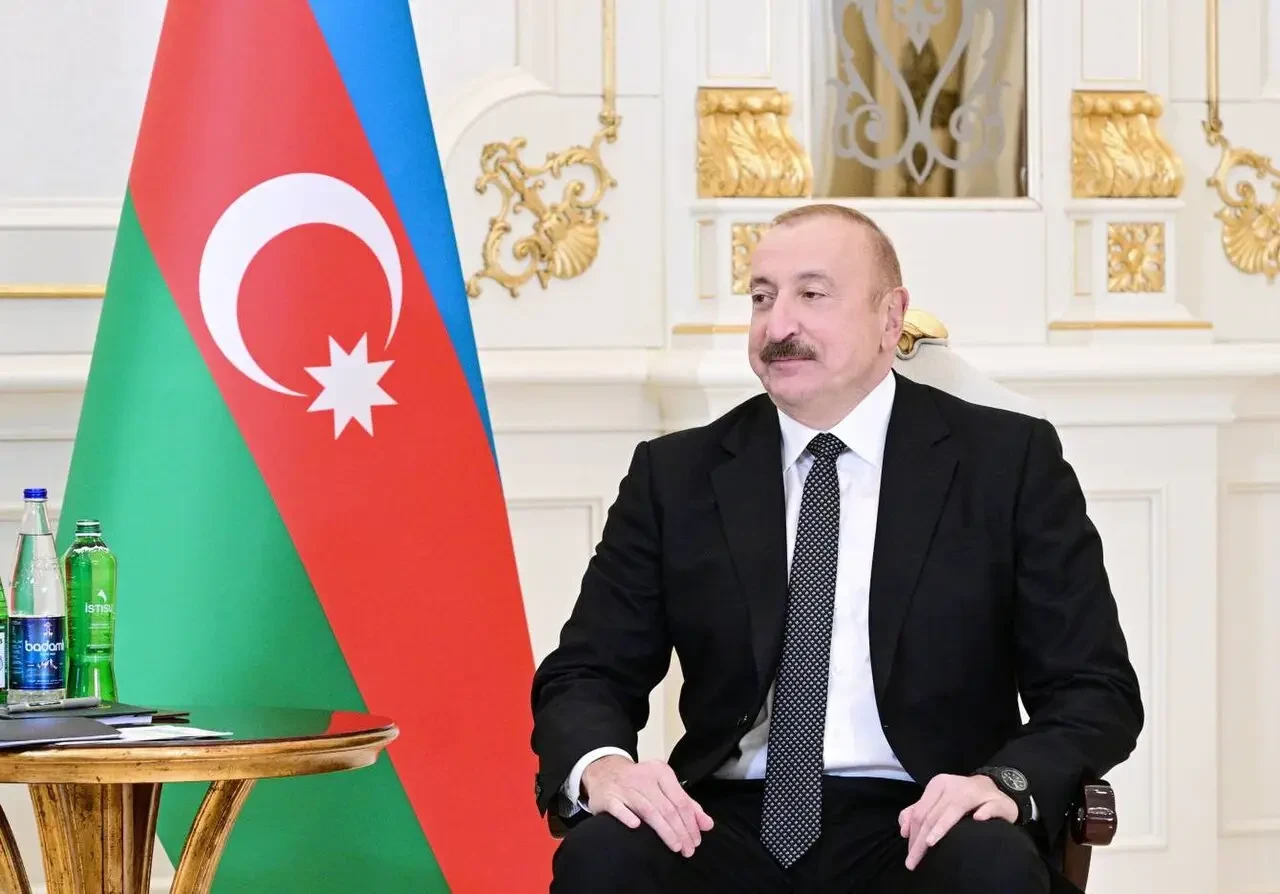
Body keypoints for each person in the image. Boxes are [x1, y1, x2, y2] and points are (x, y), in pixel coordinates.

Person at [530, 203, 1143, 893]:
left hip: (927, 814)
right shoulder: (677, 475)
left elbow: (1094, 689)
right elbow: (587, 671)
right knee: (603, 860)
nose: (778, 326)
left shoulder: (1007, 463)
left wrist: (1004, 783)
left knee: (990, 872)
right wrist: (604, 766)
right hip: (722, 816)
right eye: (762, 298)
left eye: (812, 295)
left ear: (890, 317)